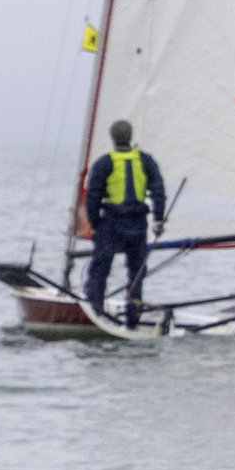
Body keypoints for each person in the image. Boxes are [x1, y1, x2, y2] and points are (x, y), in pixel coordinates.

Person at [80, 119, 168, 325]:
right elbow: (158, 191)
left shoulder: (104, 163)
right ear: (130, 136)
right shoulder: (145, 160)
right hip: (138, 224)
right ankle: (134, 311)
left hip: (111, 224)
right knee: (137, 270)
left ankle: (96, 309)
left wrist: (95, 224)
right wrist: (158, 219)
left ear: (112, 138)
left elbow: (93, 197)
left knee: (100, 268)